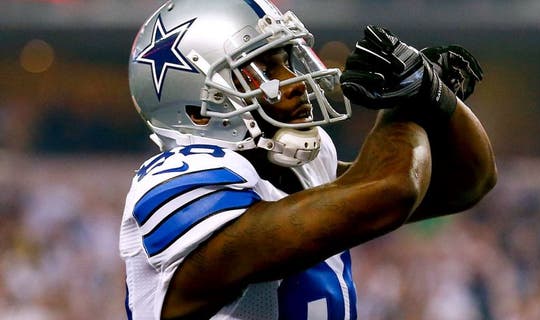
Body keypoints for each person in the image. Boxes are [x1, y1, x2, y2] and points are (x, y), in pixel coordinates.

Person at [120, 0, 497, 319]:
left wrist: (435, 96)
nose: (295, 80)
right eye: (264, 71)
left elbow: (467, 182)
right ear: (199, 110)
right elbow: (390, 189)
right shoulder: (179, 181)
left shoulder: (295, 166)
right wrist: (408, 101)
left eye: (287, 62)